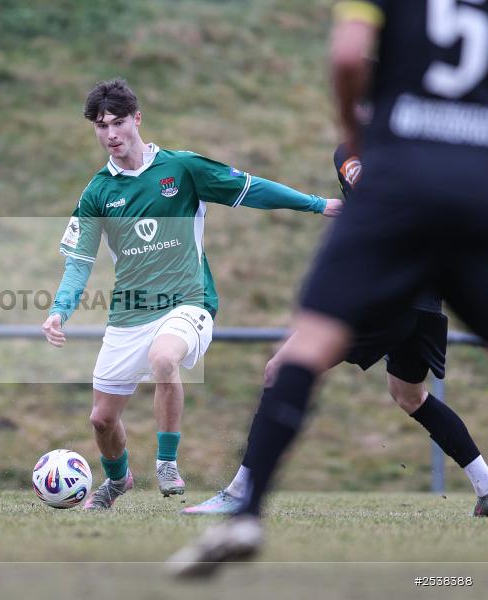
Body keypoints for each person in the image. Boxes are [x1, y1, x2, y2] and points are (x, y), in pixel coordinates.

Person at [168, 0, 488, 576]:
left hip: (400, 255)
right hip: (470, 201)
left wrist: (354, 130)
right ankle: (486, 485)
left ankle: (245, 503)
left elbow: (345, 56)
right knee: (409, 396)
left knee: (288, 361)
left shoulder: (359, 145)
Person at [41, 78, 342, 510]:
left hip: (188, 302)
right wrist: (59, 310)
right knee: (102, 420)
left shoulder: (181, 169)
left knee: (164, 358)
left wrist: (316, 204)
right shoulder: (98, 193)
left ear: (137, 119)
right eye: (101, 125)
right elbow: (79, 262)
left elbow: (250, 189)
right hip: (129, 313)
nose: (111, 134)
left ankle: (166, 462)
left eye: (119, 122)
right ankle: (119, 480)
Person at [183, 144, 488, 516]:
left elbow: (383, 204)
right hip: (426, 297)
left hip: (389, 291)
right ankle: (486, 486)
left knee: (279, 369)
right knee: (410, 395)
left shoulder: (354, 151)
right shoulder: (426, 151)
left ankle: (240, 494)